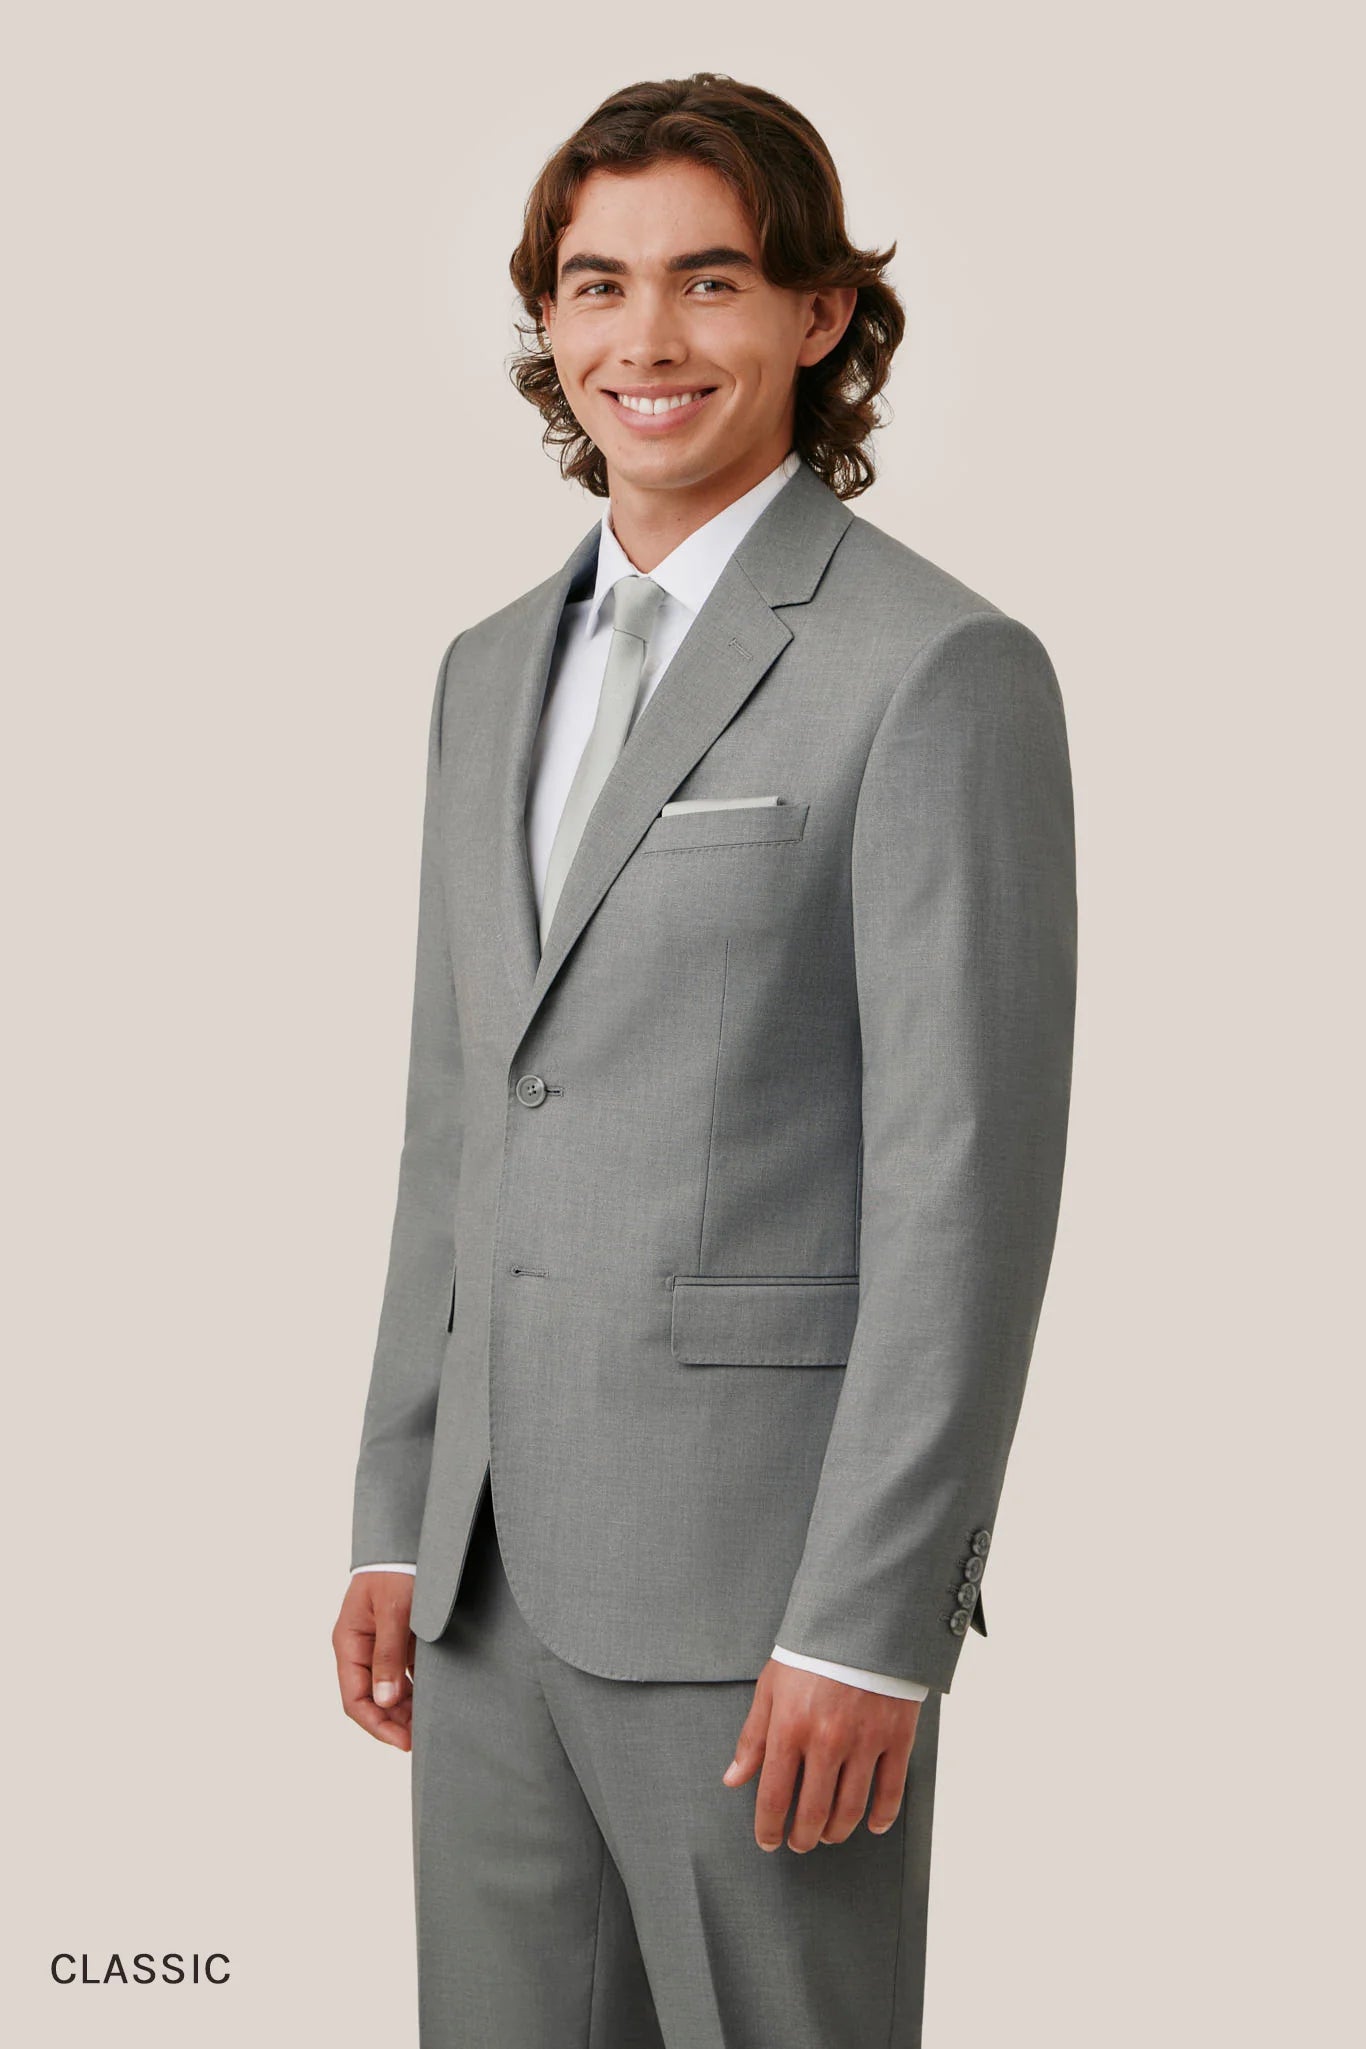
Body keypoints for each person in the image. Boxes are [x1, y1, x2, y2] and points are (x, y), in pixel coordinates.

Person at [332, 70, 1076, 2049]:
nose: (643, 338)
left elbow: (961, 1181)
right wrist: (398, 1505)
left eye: (709, 280)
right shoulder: (485, 669)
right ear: (546, 319)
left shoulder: (932, 668)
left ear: (818, 315)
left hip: (761, 1602)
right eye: (596, 283)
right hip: (482, 1582)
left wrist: (873, 1618)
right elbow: (457, 1116)